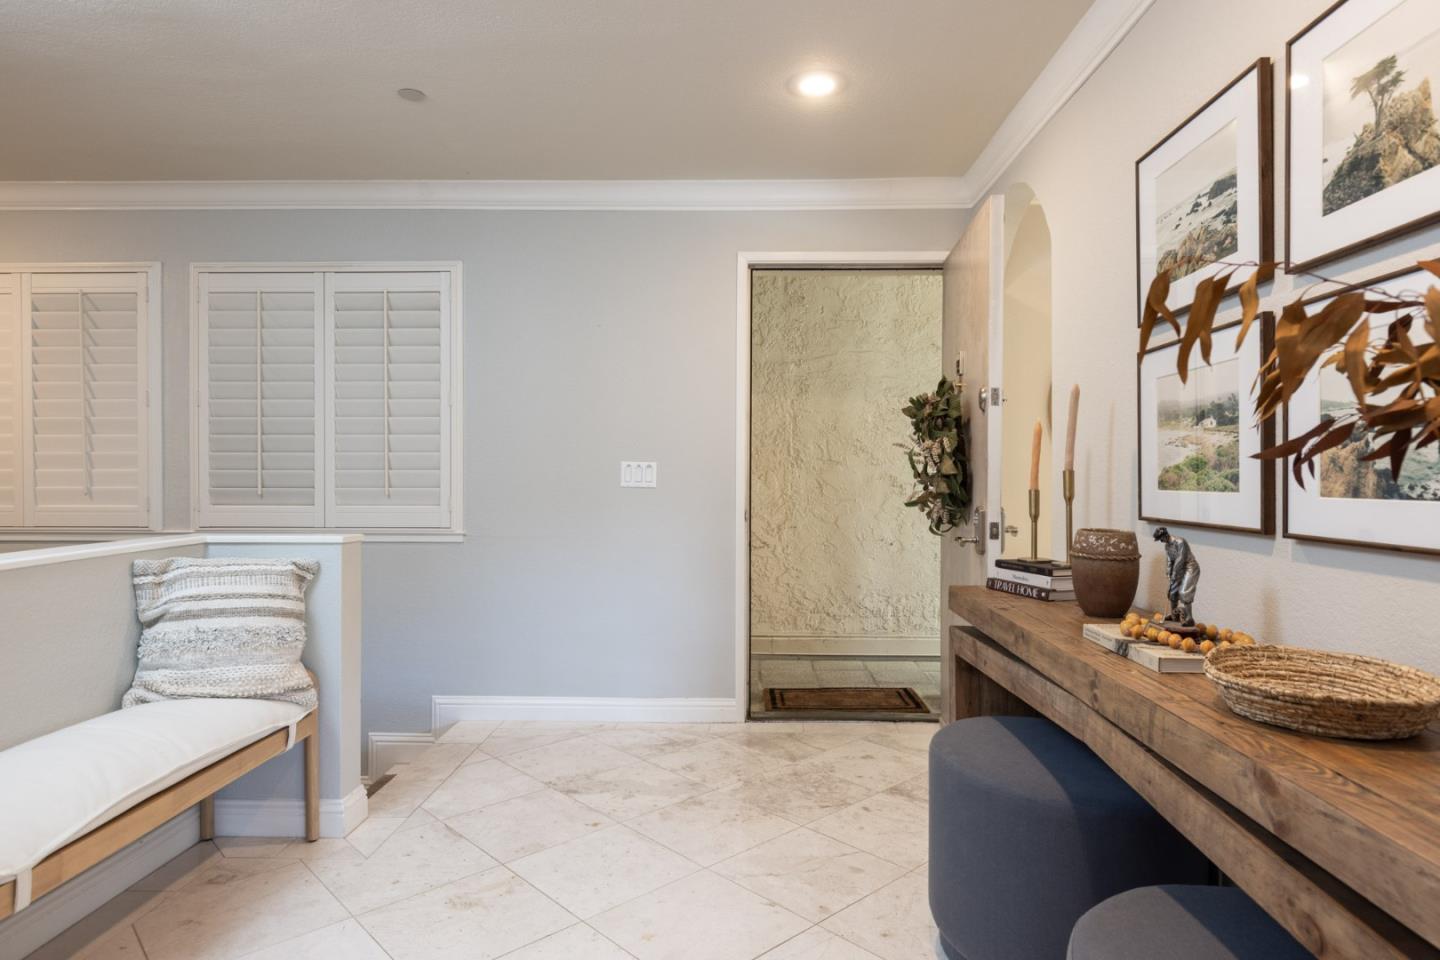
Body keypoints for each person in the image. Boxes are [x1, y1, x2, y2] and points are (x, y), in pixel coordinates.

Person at [1153, 526, 1200, 626]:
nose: (1161, 541)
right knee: (1172, 591)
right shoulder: (1167, 546)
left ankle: (1189, 618)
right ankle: (1175, 615)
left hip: (1190, 567)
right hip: (1178, 569)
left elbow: (1180, 559)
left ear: (1165, 535)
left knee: (1184, 592)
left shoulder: (1180, 542)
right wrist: (1169, 573)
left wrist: (1174, 573)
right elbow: (1170, 561)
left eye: (1161, 539)